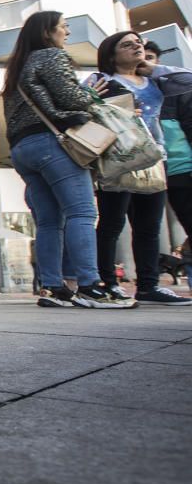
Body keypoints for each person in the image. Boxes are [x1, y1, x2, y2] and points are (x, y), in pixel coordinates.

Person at [3, 11, 131, 308]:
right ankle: (89, 284)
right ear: (48, 32)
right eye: (64, 27)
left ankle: (52, 288)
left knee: (48, 223)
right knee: (82, 213)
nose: (67, 33)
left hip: (23, 149)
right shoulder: (50, 56)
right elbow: (70, 99)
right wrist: (88, 94)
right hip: (53, 143)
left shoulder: (17, 67)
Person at [84, 32, 192, 306]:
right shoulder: (102, 80)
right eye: (127, 44)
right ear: (111, 54)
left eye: (139, 43)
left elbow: (188, 79)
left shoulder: (157, 81)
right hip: (118, 158)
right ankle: (107, 283)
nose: (137, 47)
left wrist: (154, 68)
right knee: (112, 223)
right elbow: (80, 109)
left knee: (148, 227)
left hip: (155, 158)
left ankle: (148, 286)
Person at [146, 42, 192, 245]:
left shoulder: (174, 91)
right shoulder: (123, 90)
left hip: (182, 170)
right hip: (148, 173)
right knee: (148, 230)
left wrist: (154, 70)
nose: (142, 61)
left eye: (149, 57)